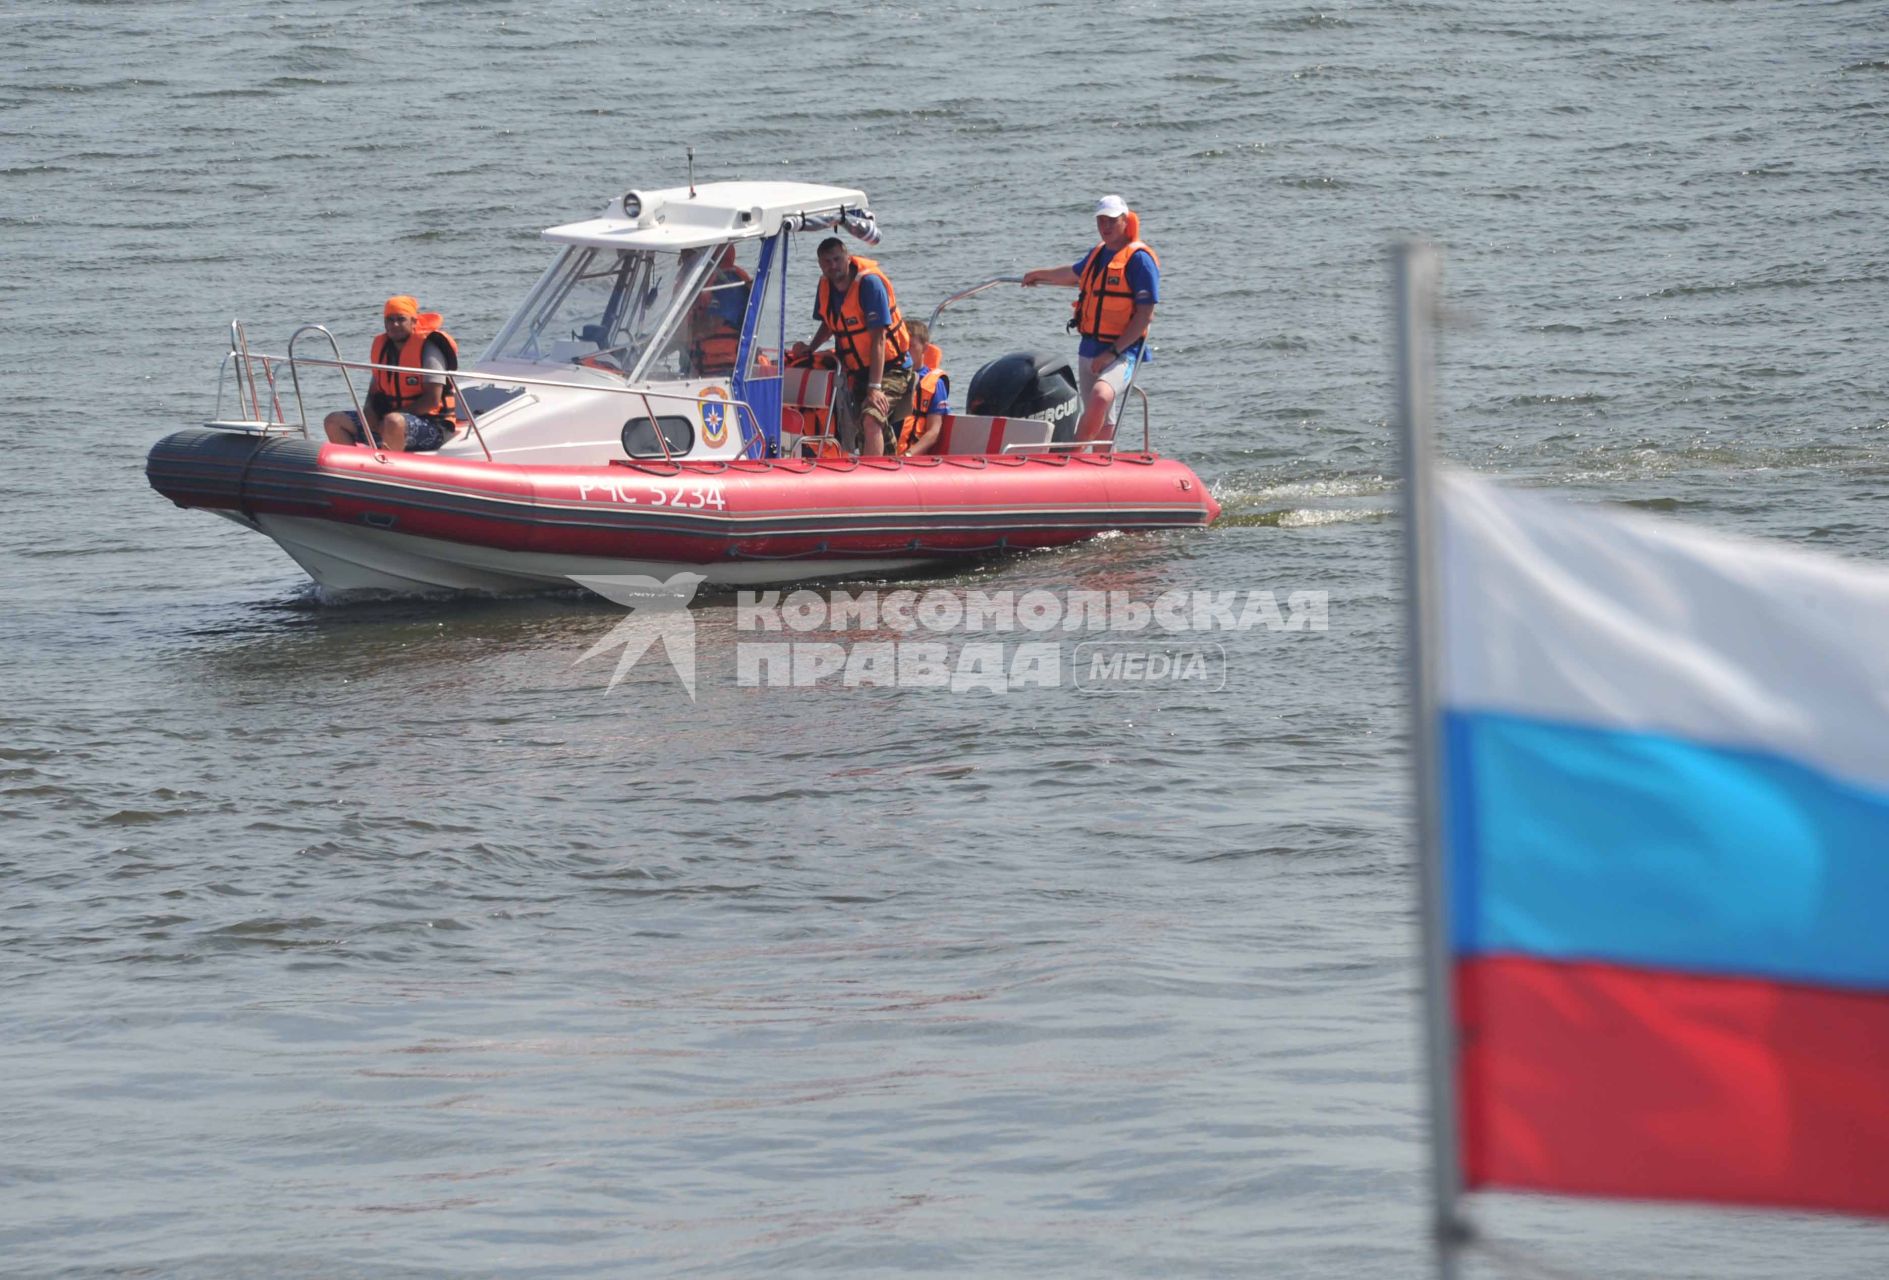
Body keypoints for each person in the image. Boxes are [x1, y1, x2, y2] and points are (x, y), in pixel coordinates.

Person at [1020, 194, 1159, 447]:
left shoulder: (1140, 260)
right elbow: (1074, 274)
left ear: (1125, 221)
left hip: (1124, 350)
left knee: (1101, 396)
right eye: (1101, 221)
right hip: (1089, 347)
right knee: (1103, 418)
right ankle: (1101, 464)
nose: (1105, 227)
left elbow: (1145, 315)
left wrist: (1112, 352)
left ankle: (1071, 455)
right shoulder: (1098, 253)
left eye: (1112, 221)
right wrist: (1039, 274)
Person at [789, 237, 914, 457]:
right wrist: (811, 347)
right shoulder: (825, 286)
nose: (833, 266)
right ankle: (890, 468)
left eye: (837, 259)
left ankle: (872, 479)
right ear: (820, 264)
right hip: (858, 370)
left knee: (872, 416)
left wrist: (874, 387)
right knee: (861, 428)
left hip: (891, 368)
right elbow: (830, 324)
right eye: (827, 262)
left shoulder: (869, 284)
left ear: (848, 257)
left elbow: (878, 338)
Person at [324, 296, 459, 452]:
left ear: (414, 321)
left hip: (433, 425)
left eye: (401, 319)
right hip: (389, 419)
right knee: (334, 421)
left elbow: (432, 400)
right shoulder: (382, 348)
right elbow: (373, 391)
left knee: (393, 422)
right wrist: (370, 412)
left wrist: (393, 417)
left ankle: (387, 468)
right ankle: (351, 468)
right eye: (390, 320)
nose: (395, 324)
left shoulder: (429, 348)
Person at [684, 246, 752, 377]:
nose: (683, 255)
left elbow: (708, 327)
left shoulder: (728, 283)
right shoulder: (697, 282)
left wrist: (667, 341)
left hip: (726, 373)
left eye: (690, 251)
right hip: (698, 369)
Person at [894, 319, 951, 457]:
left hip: (909, 457)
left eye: (911, 346)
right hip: (884, 454)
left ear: (925, 348)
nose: (906, 352)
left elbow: (934, 432)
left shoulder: (934, 383)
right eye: (902, 346)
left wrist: (908, 455)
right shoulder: (889, 377)